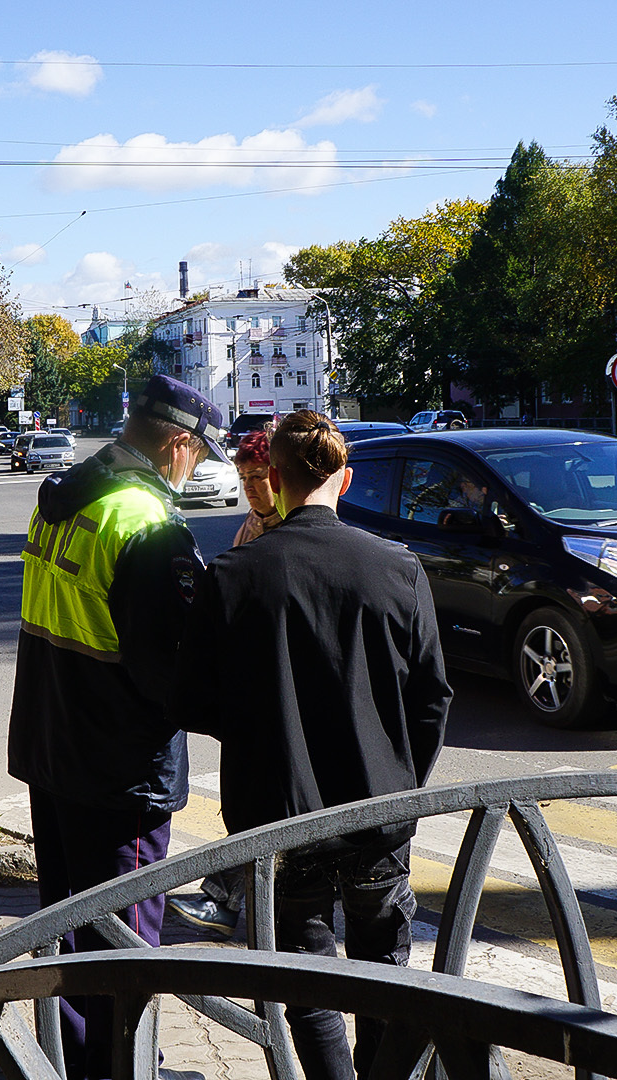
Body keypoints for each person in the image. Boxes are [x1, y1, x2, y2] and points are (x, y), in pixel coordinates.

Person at [171, 410, 452, 1080]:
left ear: (273, 477)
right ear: (345, 480)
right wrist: (398, 776)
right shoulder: (399, 570)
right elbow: (432, 698)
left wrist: (260, 719)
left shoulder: (233, 574)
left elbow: (189, 700)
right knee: (384, 970)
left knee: (304, 979)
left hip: (277, 816)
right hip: (377, 816)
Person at [7, 373, 228, 1080]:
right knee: (127, 930)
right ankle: (125, 1066)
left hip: (53, 744)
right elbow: (171, 666)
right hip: (120, 764)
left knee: (70, 921)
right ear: (175, 443)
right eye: (198, 451)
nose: (197, 466)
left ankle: (77, 1059)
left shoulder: (67, 495)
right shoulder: (149, 523)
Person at [165, 425, 278, 936]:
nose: (252, 488)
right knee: (250, 805)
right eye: (244, 477)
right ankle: (240, 902)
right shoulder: (253, 524)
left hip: (275, 694)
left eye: (260, 477)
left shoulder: (286, 528)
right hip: (250, 690)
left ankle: (239, 905)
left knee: (263, 807)